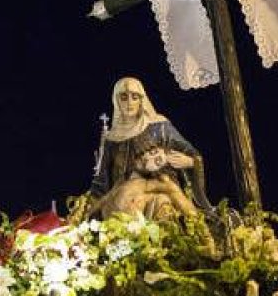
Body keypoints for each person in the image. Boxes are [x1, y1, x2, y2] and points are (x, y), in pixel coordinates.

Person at [90, 77, 211, 219]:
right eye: (123, 97)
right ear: (116, 101)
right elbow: (101, 181)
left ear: (141, 100)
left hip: (162, 192)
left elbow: (192, 155)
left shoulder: (160, 127)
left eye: (135, 97)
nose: (129, 102)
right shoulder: (112, 139)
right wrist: (88, 205)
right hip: (124, 198)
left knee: (161, 205)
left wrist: (190, 162)